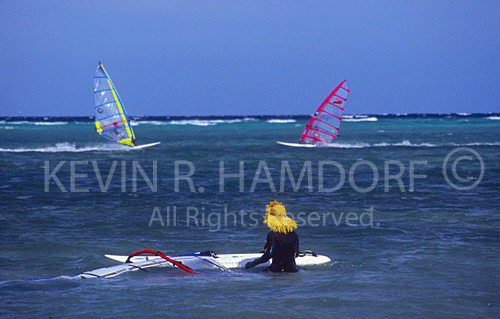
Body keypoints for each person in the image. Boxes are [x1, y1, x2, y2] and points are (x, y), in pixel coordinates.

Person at [245, 200, 299, 272]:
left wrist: (253, 263)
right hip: (293, 271)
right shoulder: (293, 234)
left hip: (277, 272)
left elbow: (269, 255)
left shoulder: (273, 235)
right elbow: (296, 254)